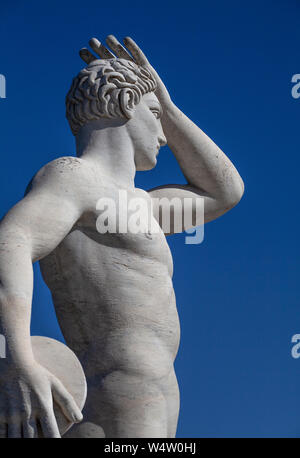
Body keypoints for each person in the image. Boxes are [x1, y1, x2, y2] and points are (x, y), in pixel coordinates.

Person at [0, 35, 244, 438]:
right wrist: (16, 360)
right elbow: (12, 241)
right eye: (155, 115)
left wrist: (165, 103)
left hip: (160, 401)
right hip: (110, 402)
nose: (165, 136)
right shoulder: (75, 177)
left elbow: (225, 192)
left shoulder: (140, 207)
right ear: (129, 103)